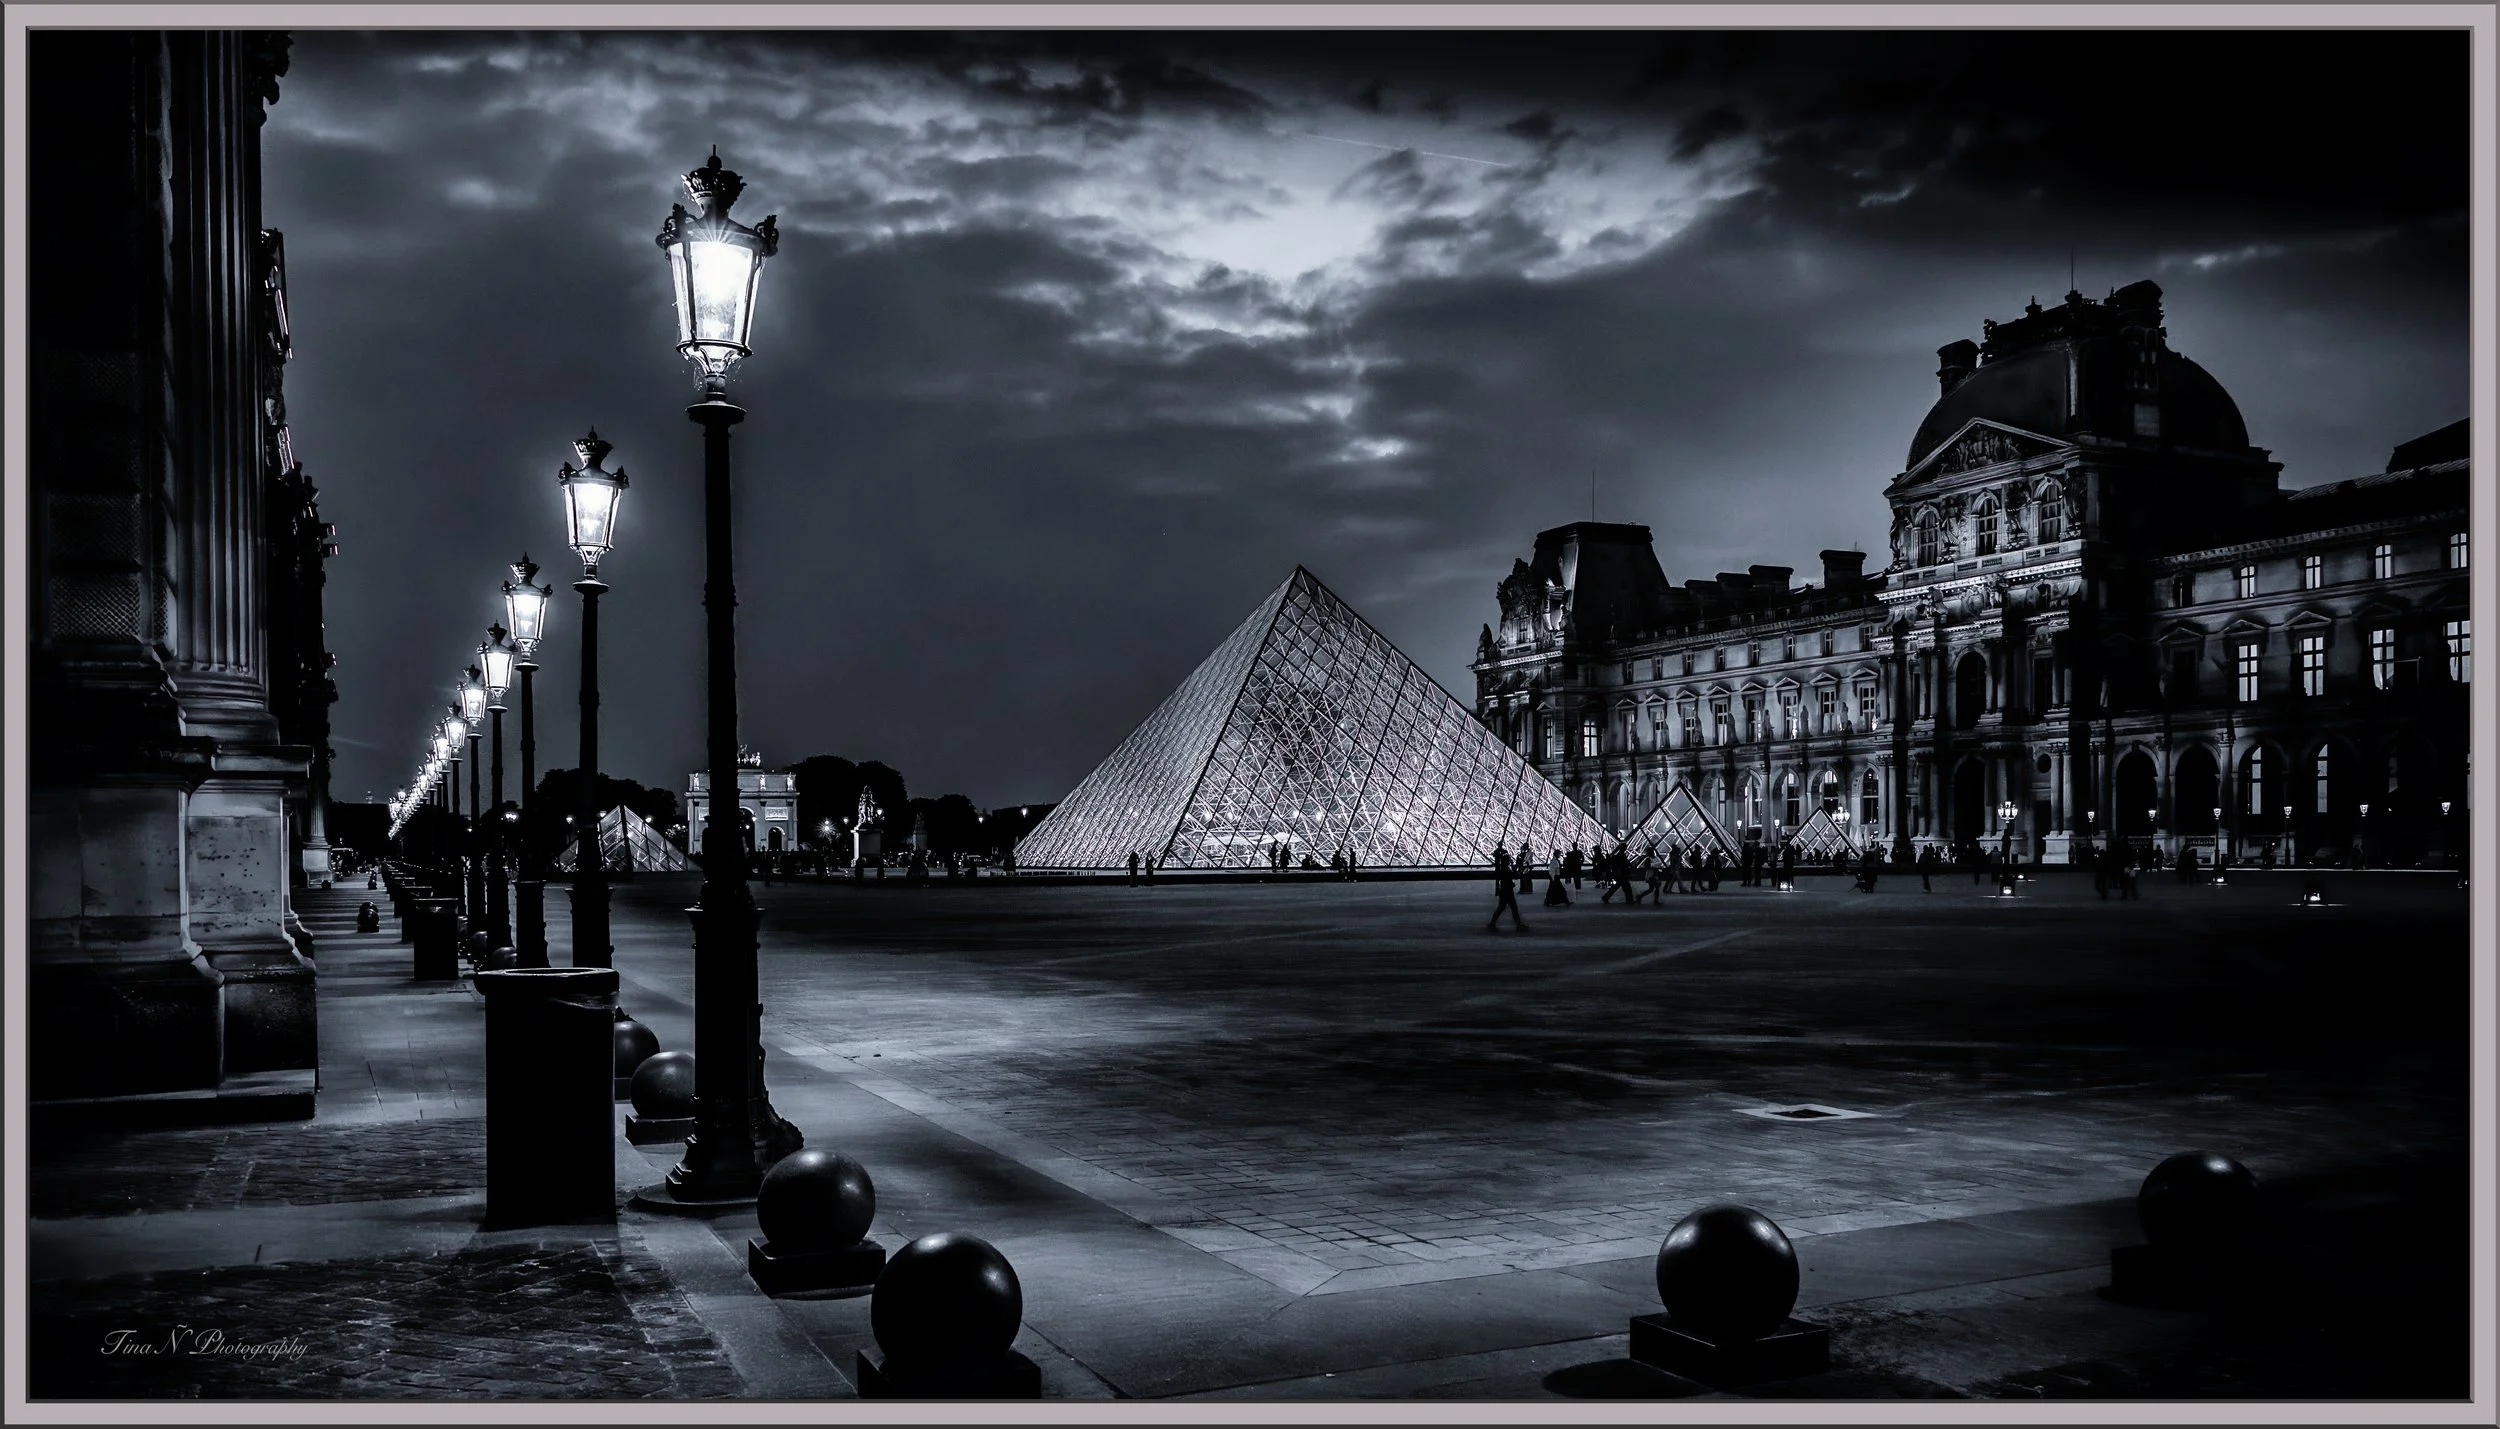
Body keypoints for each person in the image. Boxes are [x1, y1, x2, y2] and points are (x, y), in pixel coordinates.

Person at [1487, 846, 1528, 930]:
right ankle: (1519, 925)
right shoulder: (1505, 869)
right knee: (1512, 908)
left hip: (1504, 891)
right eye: (1509, 860)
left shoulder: (1503, 868)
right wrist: (1515, 869)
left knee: (1502, 908)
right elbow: (1513, 876)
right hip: (1507, 891)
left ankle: (1492, 923)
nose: (1510, 861)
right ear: (1506, 861)